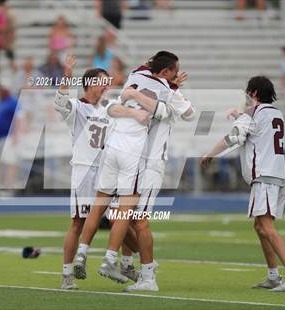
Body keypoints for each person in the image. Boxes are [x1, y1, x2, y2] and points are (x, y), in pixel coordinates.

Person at [73, 51, 184, 285]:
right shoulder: (162, 93)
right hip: (134, 155)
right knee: (127, 214)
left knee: (104, 208)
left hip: (110, 150)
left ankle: (84, 253)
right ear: (165, 73)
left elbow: (117, 105)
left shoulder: (130, 83)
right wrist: (171, 90)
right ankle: (111, 261)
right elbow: (180, 112)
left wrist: (132, 97)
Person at [201, 76, 285, 292]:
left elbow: (235, 137)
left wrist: (210, 153)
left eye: (249, 92)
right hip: (276, 174)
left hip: (265, 176)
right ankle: (273, 275)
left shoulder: (253, 113)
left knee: (266, 226)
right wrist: (239, 115)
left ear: (255, 92)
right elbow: (257, 128)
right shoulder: (276, 113)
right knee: (260, 226)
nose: (247, 97)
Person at [54, 56, 144, 289]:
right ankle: (67, 275)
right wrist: (66, 76)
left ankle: (126, 263)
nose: (107, 85)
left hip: (109, 171)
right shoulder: (77, 107)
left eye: (108, 81)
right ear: (90, 83)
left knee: (120, 218)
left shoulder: (109, 107)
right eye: (103, 81)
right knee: (77, 222)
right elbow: (60, 102)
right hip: (84, 171)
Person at [104, 58, 194, 292]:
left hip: (152, 162)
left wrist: (172, 90)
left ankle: (148, 277)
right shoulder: (146, 79)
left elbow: (190, 113)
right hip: (134, 158)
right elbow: (144, 67)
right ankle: (139, 262)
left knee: (140, 220)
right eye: (174, 70)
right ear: (165, 71)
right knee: (117, 216)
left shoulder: (168, 92)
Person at [0, 0, 17, 72]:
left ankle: (14, 72)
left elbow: (11, 29)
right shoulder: (1, 14)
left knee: (10, 58)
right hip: (1, 40)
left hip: (7, 41)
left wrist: (7, 40)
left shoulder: (10, 15)